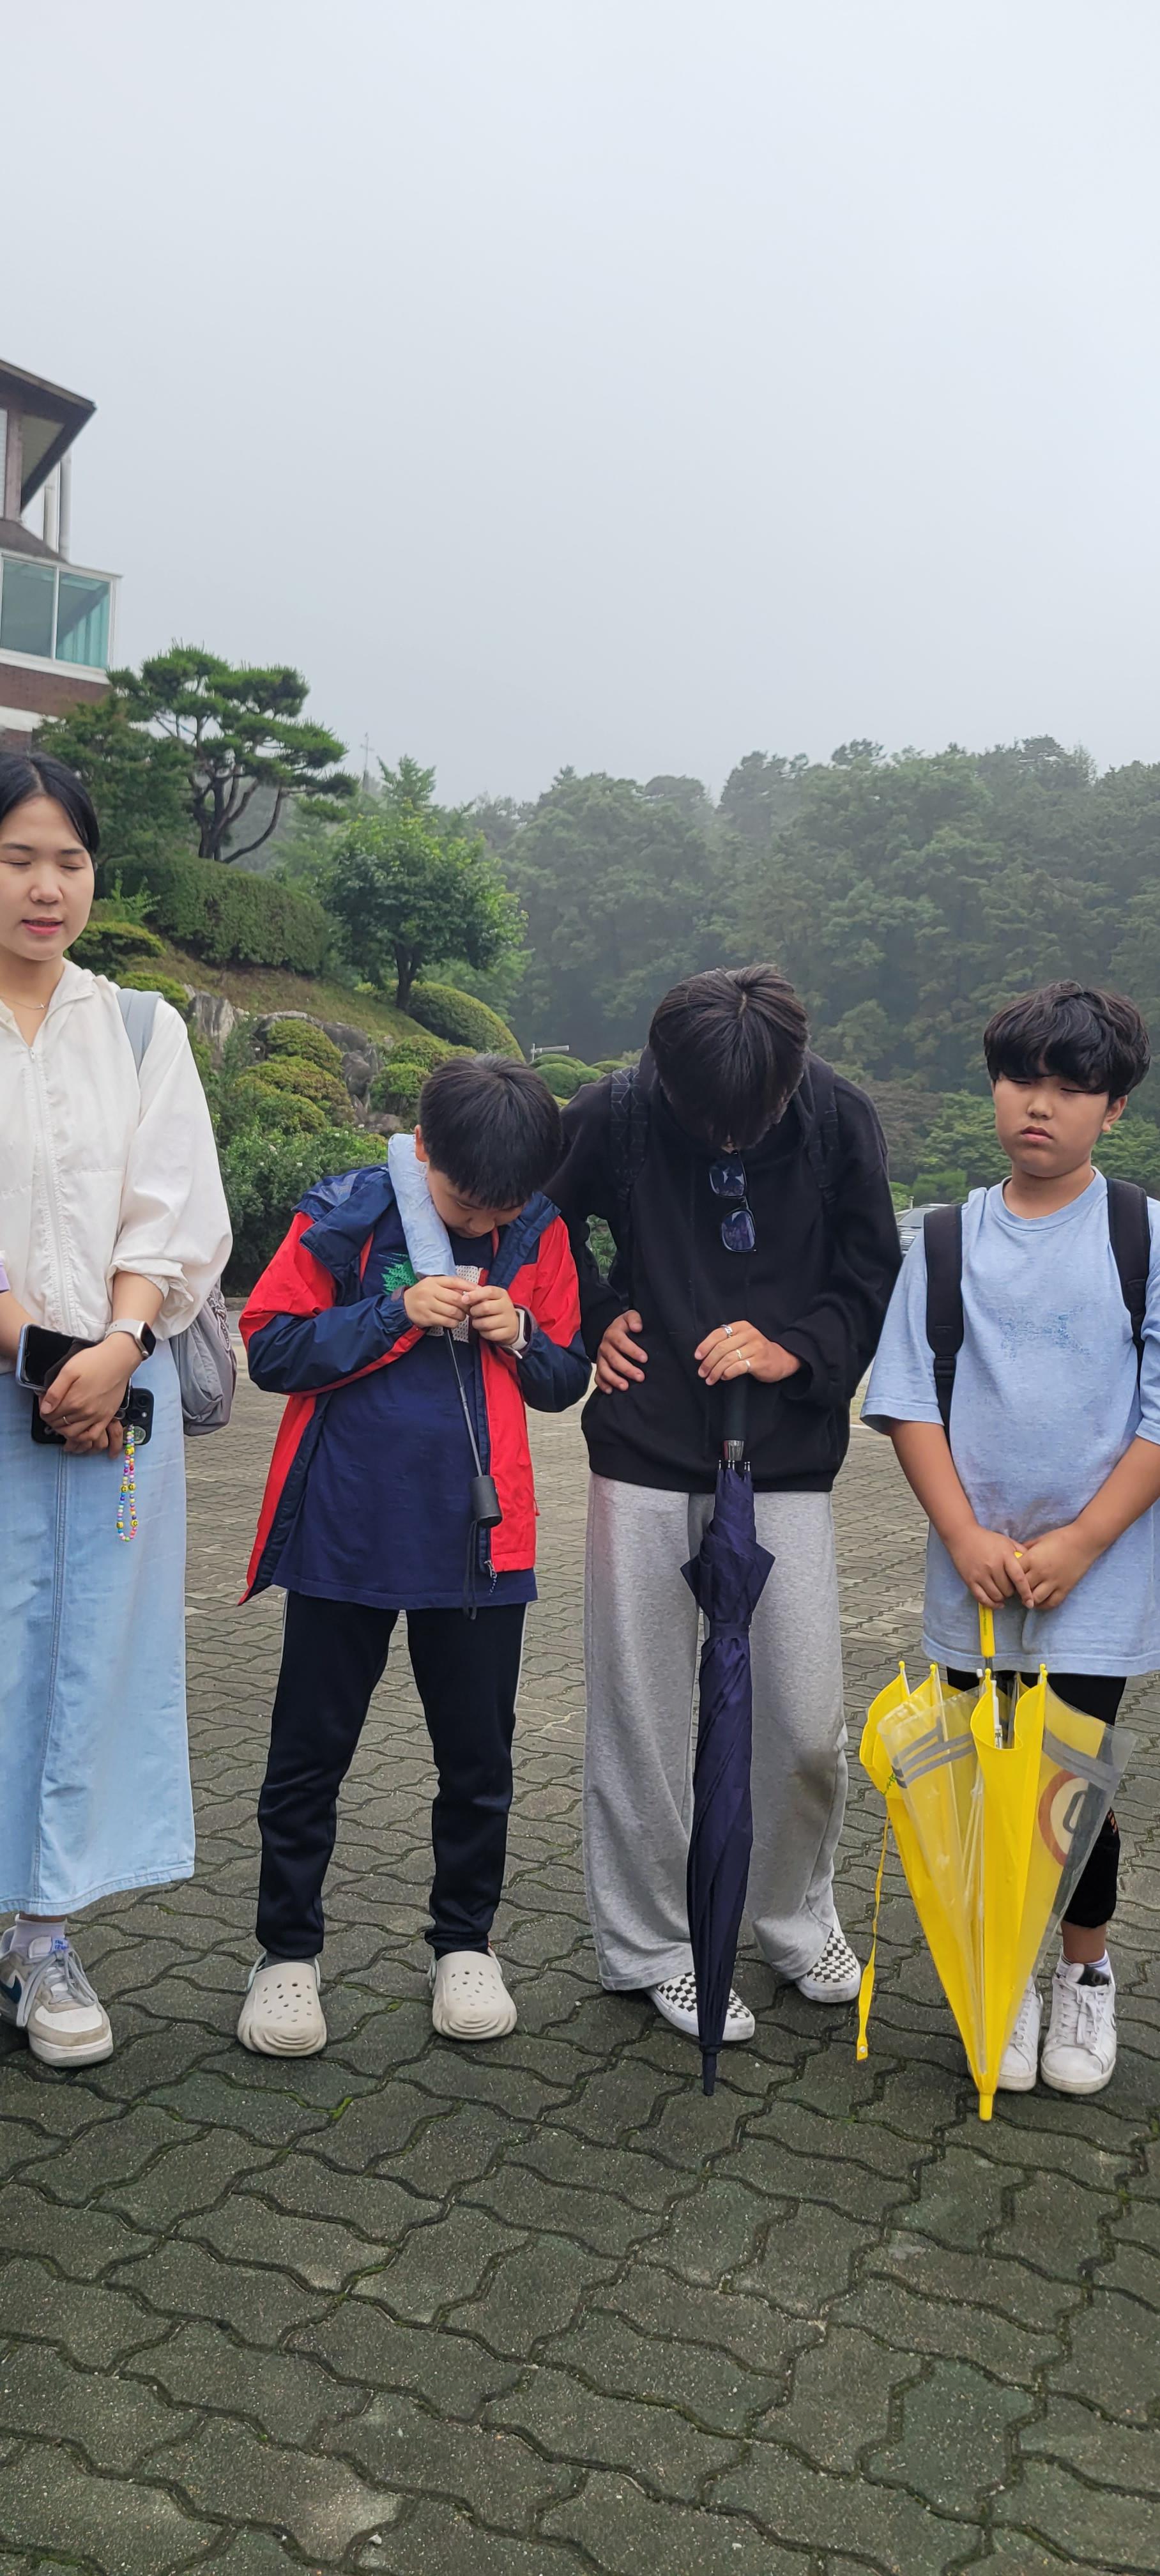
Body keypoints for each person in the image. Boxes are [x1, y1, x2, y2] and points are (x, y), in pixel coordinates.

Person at [549, 965, 901, 2042]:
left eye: (752, 1121)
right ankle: (654, 1945)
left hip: (785, 1448)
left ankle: (792, 1916)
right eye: (710, 1123)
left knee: (803, 1720)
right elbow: (541, 1225)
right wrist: (594, 1313)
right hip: (647, 1442)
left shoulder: (837, 1118)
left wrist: (797, 1349)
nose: (731, 1141)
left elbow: (871, 1273)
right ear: (667, 1077)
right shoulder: (616, 1110)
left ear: (792, 1078)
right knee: (644, 1712)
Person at [236, 1054, 590, 2056]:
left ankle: (465, 1945)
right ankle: (286, 1956)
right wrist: (394, 1311)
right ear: (423, 1147)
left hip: (480, 1543)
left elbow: (565, 1377)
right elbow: (269, 1348)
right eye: (465, 1202)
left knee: (478, 1762)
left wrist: (522, 1331)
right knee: (307, 1758)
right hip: (344, 1528)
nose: (483, 1222)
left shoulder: (539, 1231)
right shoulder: (344, 1213)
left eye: (502, 1207)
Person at [864, 981, 1160, 2098]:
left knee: (1071, 1792)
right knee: (981, 1790)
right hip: (975, 1581)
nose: (1040, 1105)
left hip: (1096, 1583)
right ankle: (1008, 1973)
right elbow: (909, 1403)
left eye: (1072, 1088)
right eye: (1020, 1079)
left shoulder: (1142, 1235)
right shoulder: (945, 1239)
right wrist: (963, 1535)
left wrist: (1082, 1542)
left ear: (1114, 1108)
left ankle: (1085, 1973)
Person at [0, 750, 231, 2067]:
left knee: (89, 1656)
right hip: (32, 1381)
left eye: (70, 862)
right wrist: (45, 1351)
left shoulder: (139, 1028)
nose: (47, 888)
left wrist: (122, 1342)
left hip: (113, 1398)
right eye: (18, 858)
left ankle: (42, 1935)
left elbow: (174, 1206)